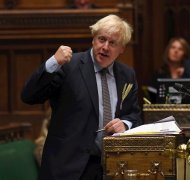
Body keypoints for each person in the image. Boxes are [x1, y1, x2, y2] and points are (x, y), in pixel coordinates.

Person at [21, 14, 142, 180]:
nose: (105, 47)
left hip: (110, 168)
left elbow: (134, 116)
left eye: (112, 43)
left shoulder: (127, 75)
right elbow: (29, 96)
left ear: (122, 48)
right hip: (67, 168)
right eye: (101, 39)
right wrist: (53, 62)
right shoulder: (69, 66)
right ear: (93, 39)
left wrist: (125, 125)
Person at [147, 37, 190, 102]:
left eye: (180, 49)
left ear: (184, 54)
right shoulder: (158, 74)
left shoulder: (188, 73)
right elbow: (152, 98)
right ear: (168, 51)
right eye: (173, 47)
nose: (176, 51)